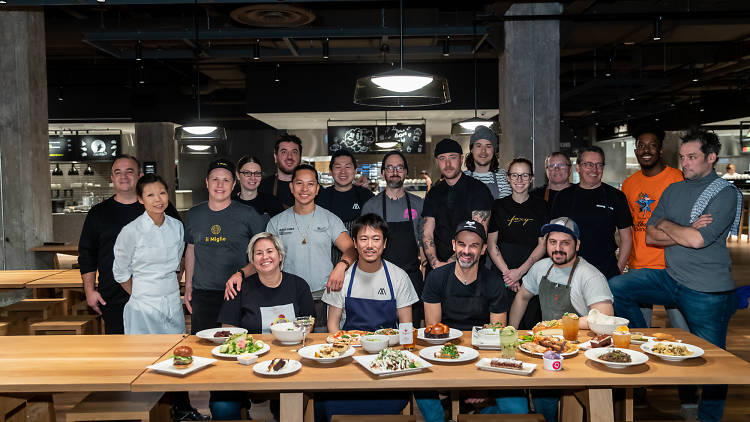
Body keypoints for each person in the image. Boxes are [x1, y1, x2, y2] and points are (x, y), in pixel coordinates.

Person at [609, 128, 741, 422]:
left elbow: (698, 241)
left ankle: (707, 417)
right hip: (670, 278)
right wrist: (683, 226)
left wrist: (670, 227)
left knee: (714, 363)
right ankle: (642, 341)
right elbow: (653, 237)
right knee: (617, 286)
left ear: (711, 158)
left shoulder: (725, 193)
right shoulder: (674, 189)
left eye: (693, 157)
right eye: (682, 157)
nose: (686, 163)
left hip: (707, 289)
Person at [226, 164, 356, 331]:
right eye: (299, 183)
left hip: (323, 297)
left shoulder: (330, 219)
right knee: (288, 344)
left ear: (317, 189)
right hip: (287, 298)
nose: (304, 189)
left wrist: (341, 266)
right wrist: (241, 273)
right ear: (291, 187)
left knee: (321, 345)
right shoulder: (277, 222)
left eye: (310, 184)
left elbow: (351, 249)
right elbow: (263, 259)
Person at [509, 216, 615, 422]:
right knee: (542, 398)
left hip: (582, 352)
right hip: (548, 349)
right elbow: (522, 296)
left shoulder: (589, 275)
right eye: (553, 242)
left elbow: (605, 317)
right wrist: (511, 333)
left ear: (578, 245)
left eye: (565, 243)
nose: (558, 248)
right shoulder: (541, 268)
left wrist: (559, 326)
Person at [316, 213, 417, 421]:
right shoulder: (341, 279)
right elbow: (332, 325)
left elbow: (406, 327)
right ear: (354, 243)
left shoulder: (398, 277)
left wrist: (400, 359)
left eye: (376, 239)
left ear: (385, 243)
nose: (369, 245)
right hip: (350, 358)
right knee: (326, 401)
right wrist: (345, 350)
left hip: (387, 362)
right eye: (363, 239)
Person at [418, 221, 516, 421]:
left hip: (482, 358)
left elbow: (496, 335)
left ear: (483, 249)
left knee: (518, 409)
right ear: (454, 245)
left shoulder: (494, 282)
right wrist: (453, 380)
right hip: (443, 355)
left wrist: (480, 384)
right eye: (462, 244)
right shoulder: (436, 278)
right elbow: (434, 332)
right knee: (421, 389)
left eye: (474, 246)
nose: (466, 251)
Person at [214, 232, 314, 420]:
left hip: (290, 361)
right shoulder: (238, 288)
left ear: (280, 255)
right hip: (246, 361)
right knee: (222, 406)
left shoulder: (299, 285)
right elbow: (229, 331)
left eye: (270, 251)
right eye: (258, 253)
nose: (265, 257)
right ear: (252, 260)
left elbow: (307, 326)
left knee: (296, 402)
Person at [79, 154, 181, 334]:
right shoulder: (99, 213)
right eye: (117, 172)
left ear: (140, 175)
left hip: (161, 297)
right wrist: (89, 290)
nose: (123, 176)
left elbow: (180, 248)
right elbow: (87, 254)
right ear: (112, 178)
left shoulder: (163, 209)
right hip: (111, 295)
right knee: (126, 353)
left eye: (129, 171)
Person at [613, 125, 687, 329]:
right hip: (639, 267)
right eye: (641, 146)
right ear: (635, 151)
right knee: (638, 333)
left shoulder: (677, 179)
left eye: (652, 146)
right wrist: (624, 261)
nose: (646, 150)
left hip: (671, 269)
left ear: (661, 149)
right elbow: (626, 228)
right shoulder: (629, 184)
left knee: (684, 333)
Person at [184, 159, 267, 335]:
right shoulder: (194, 214)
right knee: (203, 347)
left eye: (226, 180)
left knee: (239, 347)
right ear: (206, 182)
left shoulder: (249, 215)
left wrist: (242, 273)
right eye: (215, 179)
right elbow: (191, 249)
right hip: (203, 295)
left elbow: (261, 256)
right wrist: (189, 285)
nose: (220, 185)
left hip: (240, 291)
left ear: (234, 184)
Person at [112, 174, 185, 335]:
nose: (158, 200)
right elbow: (120, 272)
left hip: (172, 300)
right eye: (150, 195)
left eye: (162, 193)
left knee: (175, 352)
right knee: (144, 354)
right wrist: (141, 294)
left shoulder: (177, 226)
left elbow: (179, 261)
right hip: (143, 304)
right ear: (140, 199)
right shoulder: (131, 231)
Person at [361, 151, 426, 325]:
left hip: (411, 277)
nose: (394, 171)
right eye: (389, 167)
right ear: (383, 173)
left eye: (399, 167)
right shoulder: (371, 206)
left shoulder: (419, 204)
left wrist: (425, 272)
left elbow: (424, 241)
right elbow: (364, 247)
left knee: (409, 331)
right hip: (379, 278)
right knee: (380, 329)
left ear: (405, 172)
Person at [551, 146, 633, 279]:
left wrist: (617, 271)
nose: (594, 170)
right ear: (577, 167)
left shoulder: (616, 197)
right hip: (568, 273)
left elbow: (627, 238)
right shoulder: (563, 197)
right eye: (588, 164)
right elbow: (553, 237)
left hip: (605, 274)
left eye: (599, 165)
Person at [487, 158, 548, 330]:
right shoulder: (498, 206)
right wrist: (509, 275)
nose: (519, 180)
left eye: (524, 175)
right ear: (508, 178)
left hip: (532, 275)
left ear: (532, 178)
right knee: (500, 327)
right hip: (502, 276)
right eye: (515, 175)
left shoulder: (541, 206)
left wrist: (520, 273)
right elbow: (492, 245)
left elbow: (542, 244)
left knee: (530, 327)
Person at [422, 138, 493, 270]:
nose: (448, 164)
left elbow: (478, 234)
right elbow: (427, 233)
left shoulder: (478, 190)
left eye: (452, 157)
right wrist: (435, 263)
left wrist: (449, 264)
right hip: (438, 269)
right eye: (442, 158)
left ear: (461, 159)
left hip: (469, 267)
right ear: (437, 162)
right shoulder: (433, 193)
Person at [315, 149, 374, 262]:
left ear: (355, 170)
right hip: (326, 259)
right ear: (331, 171)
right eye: (338, 167)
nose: (343, 172)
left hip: (360, 258)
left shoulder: (365, 196)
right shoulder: (320, 197)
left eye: (347, 167)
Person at [464, 126, 512, 199]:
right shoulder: (462, 178)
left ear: (494, 151)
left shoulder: (503, 177)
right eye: (479, 146)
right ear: (471, 149)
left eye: (488, 146)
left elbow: (505, 207)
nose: (483, 151)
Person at [258, 133, 302, 208]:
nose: (289, 157)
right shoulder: (261, 188)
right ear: (275, 157)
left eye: (294, 152)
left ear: (300, 157)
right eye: (284, 152)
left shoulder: (310, 188)